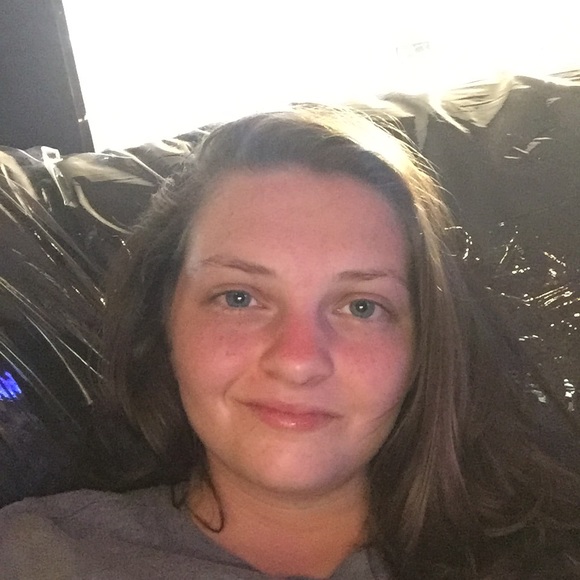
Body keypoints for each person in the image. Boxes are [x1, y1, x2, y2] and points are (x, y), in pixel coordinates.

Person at [0, 105, 579, 579]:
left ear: (423, 348)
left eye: (361, 307)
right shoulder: (35, 558)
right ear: (163, 322)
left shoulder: (551, 558)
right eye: (239, 298)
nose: (299, 360)